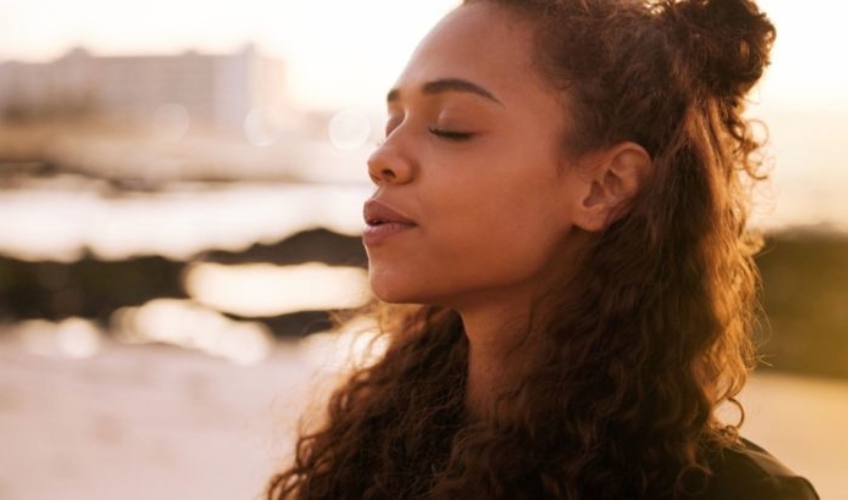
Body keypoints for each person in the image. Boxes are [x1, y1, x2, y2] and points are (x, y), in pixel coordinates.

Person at [268, 0, 820, 498]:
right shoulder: (376, 451)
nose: (382, 158)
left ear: (605, 186)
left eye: (449, 126)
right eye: (393, 123)